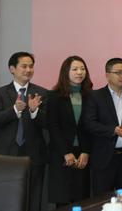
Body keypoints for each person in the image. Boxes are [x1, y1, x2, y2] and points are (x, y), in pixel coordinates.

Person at [0, 52, 47, 211]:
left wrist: (34, 111)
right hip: (5, 155)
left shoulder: (42, 93)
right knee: (5, 199)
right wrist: (14, 110)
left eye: (31, 66)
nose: (28, 70)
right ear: (12, 69)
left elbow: (49, 124)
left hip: (34, 154)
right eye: (24, 66)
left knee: (33, 199)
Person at [83, 57, 122, 195]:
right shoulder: (95, 96)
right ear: (107, 75)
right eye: (119, 72)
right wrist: (112, 130)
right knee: (101, 200)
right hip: (103, 159)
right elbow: (89, 123)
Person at [47, 56, 93, 207]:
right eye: (75, 69)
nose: (79, 72)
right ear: (66, 72)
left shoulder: (91, 96)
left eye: (82, 69)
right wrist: (65, 152)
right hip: (61, 153)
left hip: (82, 154)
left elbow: (91, 127)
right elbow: (53, 126)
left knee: (81, 200)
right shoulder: (54, 96)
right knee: (63, 200)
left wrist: (86, 151)